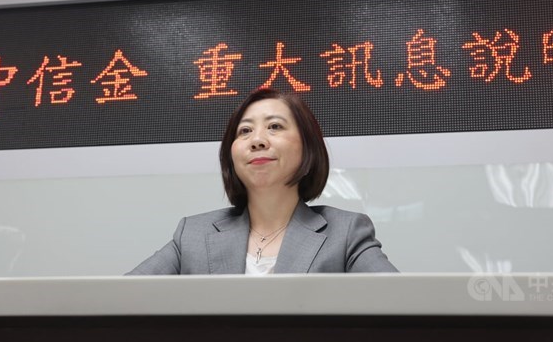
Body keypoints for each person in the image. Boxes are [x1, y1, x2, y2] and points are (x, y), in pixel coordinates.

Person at [128, 88, 397, 275]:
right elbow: (119, 299)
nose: (257, 140)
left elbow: (401, 304)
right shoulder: (193, 235)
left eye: (275, 126)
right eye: (245, 131)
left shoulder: (346, 233)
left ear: (308, 147)